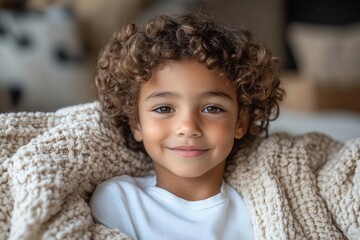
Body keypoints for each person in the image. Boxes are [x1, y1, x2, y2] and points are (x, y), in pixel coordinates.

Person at [90, 13, 357, 240]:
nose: (188, 127)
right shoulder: (121, 201)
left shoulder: (262, 208)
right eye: (164, 109)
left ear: (240, 122)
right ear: (136, 123)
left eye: (212, 108)